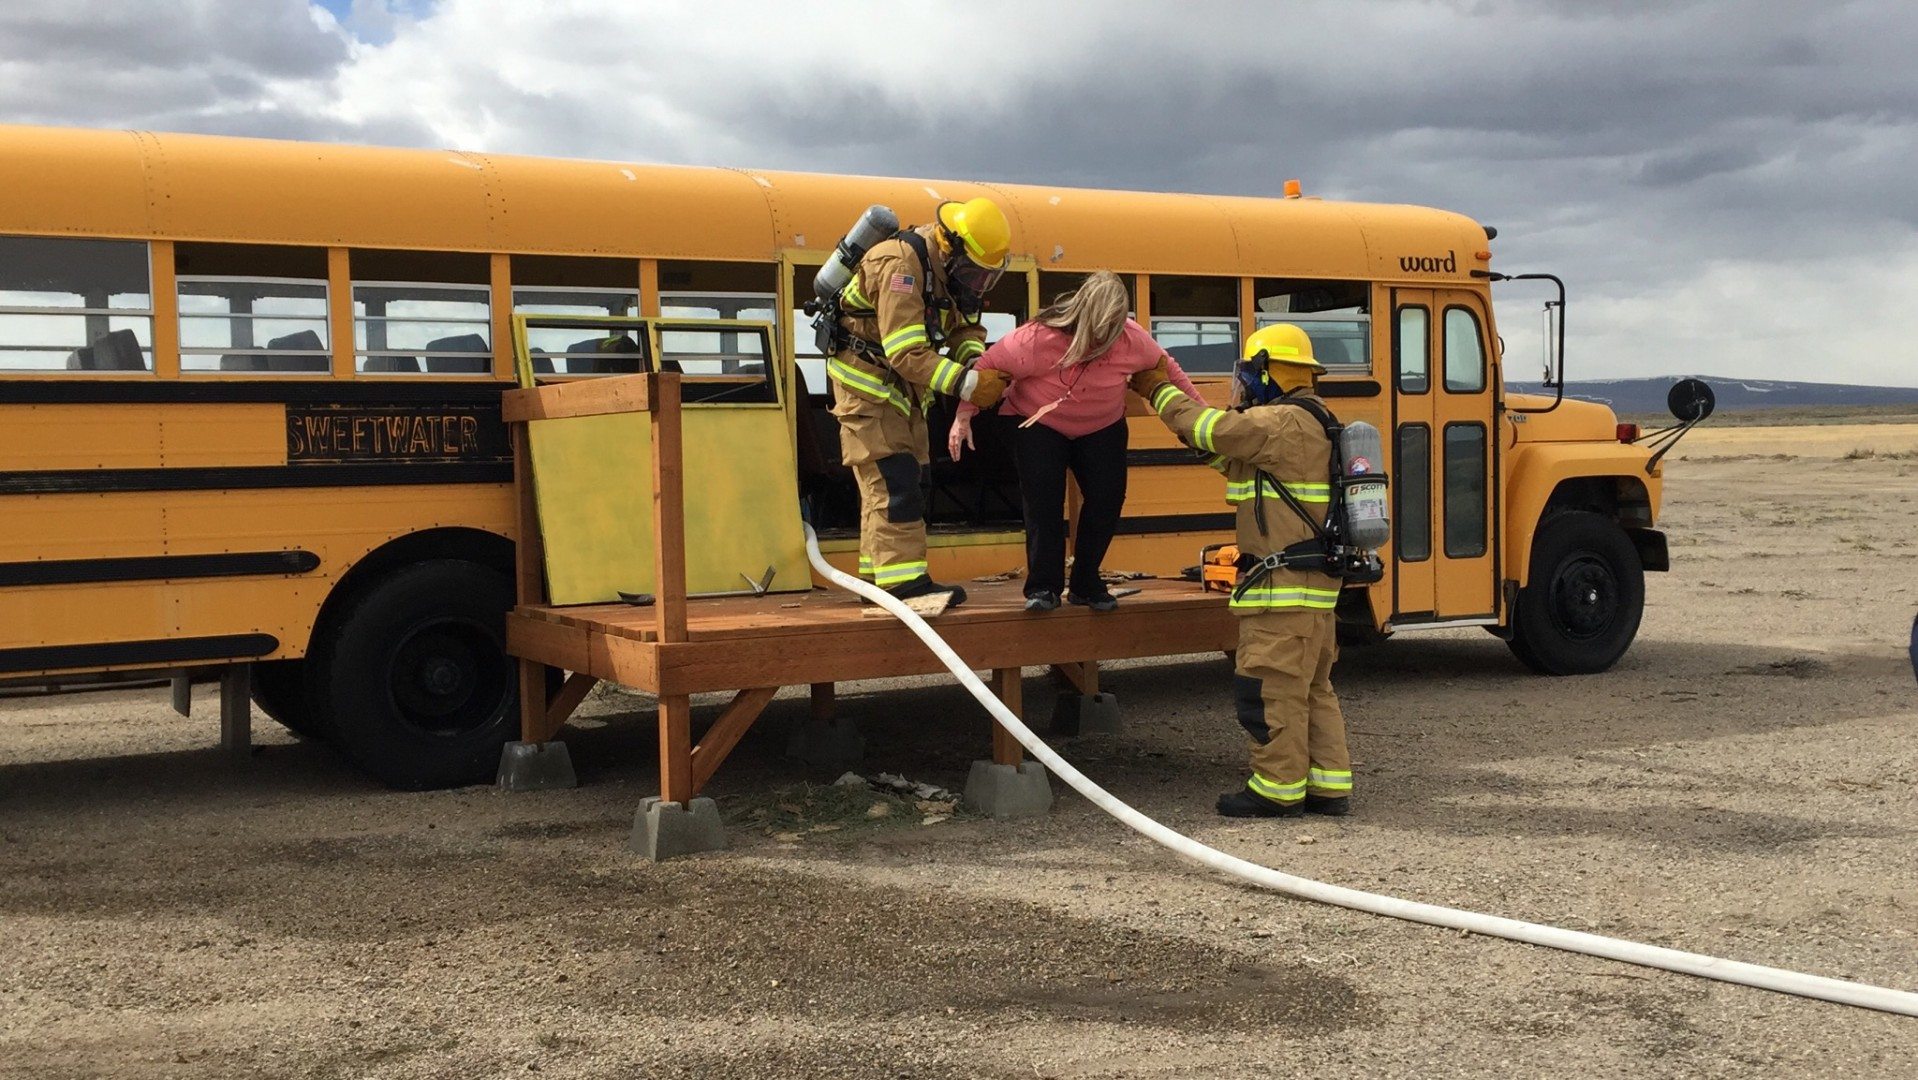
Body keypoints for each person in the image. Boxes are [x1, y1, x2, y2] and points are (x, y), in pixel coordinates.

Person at [1130, 323, 1352, 818]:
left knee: (1268, 688)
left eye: (1249, 373)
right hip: (1313, 594)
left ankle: (1276, 788)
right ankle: (1327, 784)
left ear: (1268, 370)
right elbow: (1226, 456)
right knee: (1311, 689)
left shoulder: (1279, 422)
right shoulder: (1314, 423)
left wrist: (1158, 388)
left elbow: (1208, 428)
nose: (1244, 384)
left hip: (1281, 593)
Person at [948, 271, 1200, 612]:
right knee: (1043, 499)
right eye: (1098, 331)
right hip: (1035, 421)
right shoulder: (1036, 338)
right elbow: (987, 368)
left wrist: (1203, 419)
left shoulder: (1131, 338)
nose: (1103, 341)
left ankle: (1085, 581)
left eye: (1112, 331)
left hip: (1101, 424)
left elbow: (1169, 369)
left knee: (1108, 496)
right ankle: (1043, 588)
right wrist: (964, 416)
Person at [828, 198, 1012, 607]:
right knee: (892, 481)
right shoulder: (899, 266)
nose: (977, 283)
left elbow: (963, 329)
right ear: (951, 247)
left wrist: (978, 366)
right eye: (974, 272)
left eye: (986, 277)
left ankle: (876, 579)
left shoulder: (952, 273)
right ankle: (903, 585)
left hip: (903, 392)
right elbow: (907, 352)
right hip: (867, 387)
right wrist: (968, 385)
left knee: (910, 479)